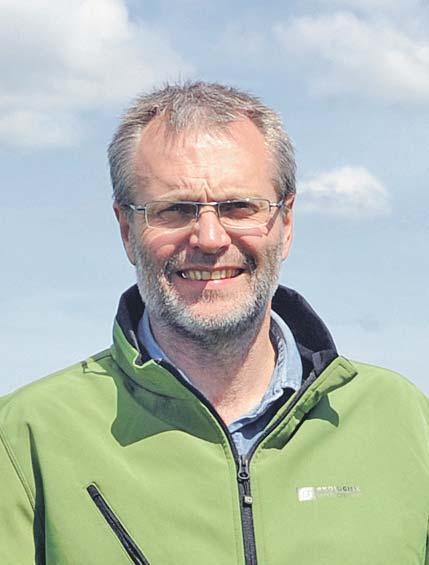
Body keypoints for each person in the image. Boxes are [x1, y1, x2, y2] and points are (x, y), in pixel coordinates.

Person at [1, 82, 428, 565]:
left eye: (239, 207)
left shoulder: (405, 422)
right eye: (175, 210)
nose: (209, 238)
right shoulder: (24, 438)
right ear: (127, 230)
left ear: (286, 223)